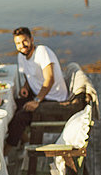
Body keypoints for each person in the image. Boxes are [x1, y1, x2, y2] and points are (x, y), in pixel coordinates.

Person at [4, 27, 68, 156]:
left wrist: (36, 101)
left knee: (19, 118)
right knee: (9, 107)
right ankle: (26, 142)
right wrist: (25, 88)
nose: (22, 46)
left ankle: (4, 154)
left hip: (54, 101)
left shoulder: (42, 51)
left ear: (32, 40)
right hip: (39, 96)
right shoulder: (21, 57)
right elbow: (30, 76)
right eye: (18, 43)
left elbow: (49, 79)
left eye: (25, 41)